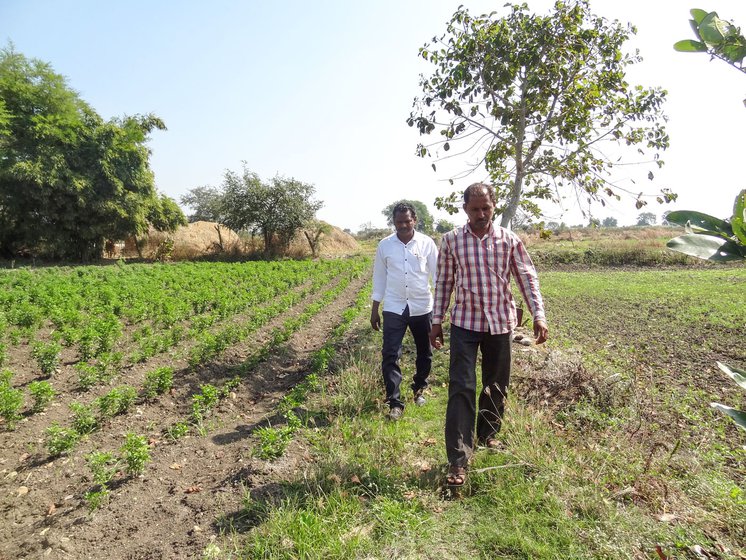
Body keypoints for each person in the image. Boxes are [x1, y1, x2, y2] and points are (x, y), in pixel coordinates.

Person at [429, 183, 548, 487]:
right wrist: (437, 321)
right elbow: (444, 283)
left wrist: (538, 314)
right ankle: (458, 459)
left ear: (494, 206)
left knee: (496, 385)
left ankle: (488, 435)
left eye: (486, 208)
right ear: (465, 209)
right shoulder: (452, 241)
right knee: (461, 387)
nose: (481, 214)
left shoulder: (509, 240)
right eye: (474, 209)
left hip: (500, 323)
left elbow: (527, 278)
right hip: (465, 323)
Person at [371, 202, 438, 420]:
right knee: (390, 354)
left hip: (422, 306)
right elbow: (379, 278)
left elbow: (437, 277)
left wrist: (440, 310)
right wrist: (375, 308)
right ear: (394, 222)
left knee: (425, 352)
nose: (403, 225)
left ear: (414, 220)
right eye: (399, 222)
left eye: (407, 221)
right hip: (393, 306)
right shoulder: (385, 246)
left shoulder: (427, 243)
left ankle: (419, 389)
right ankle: (395, 402)